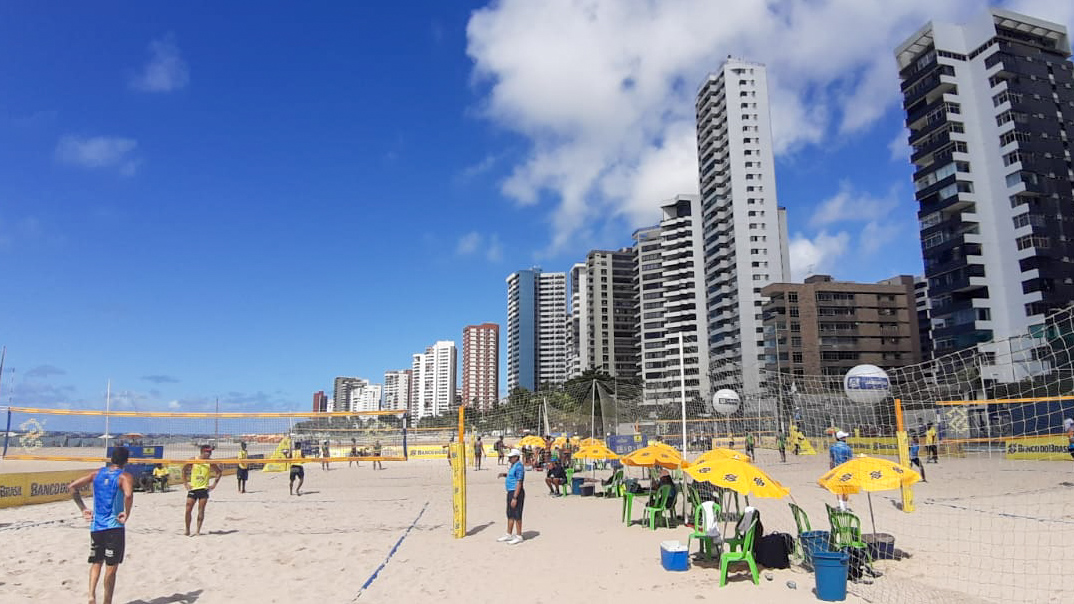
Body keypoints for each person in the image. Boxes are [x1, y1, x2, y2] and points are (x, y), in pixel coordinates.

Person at [68, 446, 134, 604]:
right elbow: (129, 495)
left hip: (96, 526)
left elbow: (72, 487)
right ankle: (106, 602)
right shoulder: (124, 476)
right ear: (126, 461)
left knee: (96, 562)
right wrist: (127, 512)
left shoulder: (97, 473)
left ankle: (91, 594)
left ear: (111, 459)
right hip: (114, 526)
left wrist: (83, 509)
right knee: (111, 568)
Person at [183, 444, 222, 536]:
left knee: (201, 510)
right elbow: (184, 470)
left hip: (203, 489)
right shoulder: (193, 459)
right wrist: (185, 483)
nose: (209, 454)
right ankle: (187, 530)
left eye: (210, 452)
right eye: (207, 452)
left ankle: (197, 531)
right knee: (188, 509)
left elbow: (219, 472)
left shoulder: (210, 462)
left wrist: (214, 485)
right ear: (202, 451)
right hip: (193, 488)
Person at [496, 448, 525, 544]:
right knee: (510, 513)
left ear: (516, 457)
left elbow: (519, 482)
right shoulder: (513, 466)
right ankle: (509, 534)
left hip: (516, 492)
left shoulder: (519, 466)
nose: (509, 459)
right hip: (510, 492)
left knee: (517, 514)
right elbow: (511, 476)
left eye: (511, 457)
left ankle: (519, 535)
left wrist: (515, 497)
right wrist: (504, 475)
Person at [829, 431, 853, 511]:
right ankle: (844, 506)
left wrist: (831, 471)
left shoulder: (832, 447)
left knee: (838, 488)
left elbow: (831, 460)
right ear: (842, 438)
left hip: (836, 469)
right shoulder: (847, 448)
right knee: (845, 488)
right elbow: (850, 460)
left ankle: (841, 504)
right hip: (845, 469)